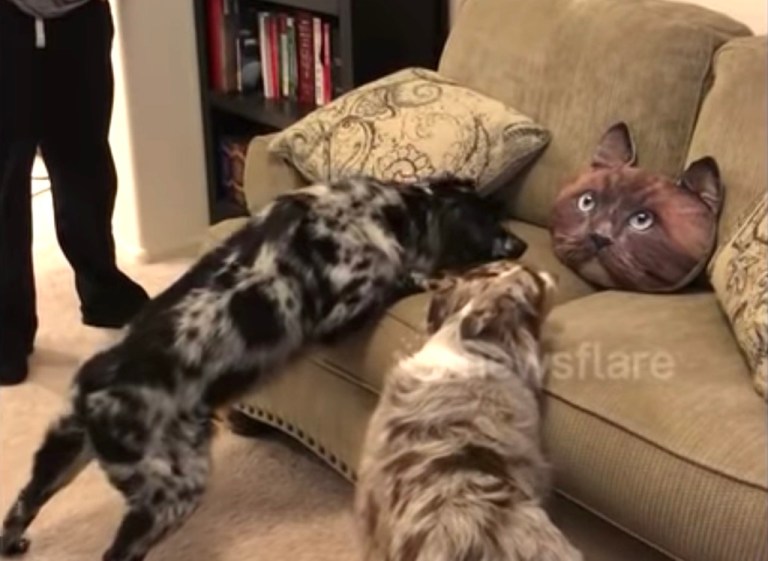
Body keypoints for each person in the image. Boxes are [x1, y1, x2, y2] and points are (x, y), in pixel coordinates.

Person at [0, 0, 149, 385]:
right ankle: (7, 328)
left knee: (87, 163)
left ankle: (103, 291)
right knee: (5, 181)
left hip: (81, 18)